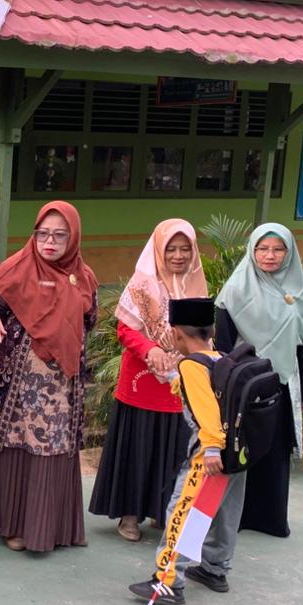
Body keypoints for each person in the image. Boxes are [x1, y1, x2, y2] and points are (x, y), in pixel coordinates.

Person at [0, 201, 99, 552]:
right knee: (15, 446)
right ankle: (11, 526)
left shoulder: (84, 278)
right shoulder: (16, 268)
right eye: (43, 233)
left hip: (59, 387)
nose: (49, 241)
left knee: (48, 449)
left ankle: (46, 528)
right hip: (14, 388)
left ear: (74, 237)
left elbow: (90, 321)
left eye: (59, 235)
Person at [90, 220, 206, 541]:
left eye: (185, 249)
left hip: (180, 381)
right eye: (171, 249)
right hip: (142, 381)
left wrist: (189, 355)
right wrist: (151, 349)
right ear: (159, 249)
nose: (179, 256)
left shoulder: (197, 284)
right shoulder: (142, 284)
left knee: (173, 447)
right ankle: (130, 515)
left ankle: (161, 510)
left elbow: (201, 334)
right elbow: (125, 329)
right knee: (138, 445)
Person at [128, 297, 248, 605]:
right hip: (235, 456)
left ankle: (168, 582)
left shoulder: (192, 365)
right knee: (222, 513)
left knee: (182, 511)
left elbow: (206, 410)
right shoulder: (219, 357)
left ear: (178, 333)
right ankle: (215, 568)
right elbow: (206, 391)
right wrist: (168, 376)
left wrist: (209, 448)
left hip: (208, 456)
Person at [214, 224, 303, 537]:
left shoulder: (297, 291)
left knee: (275, 451)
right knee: (242, 448)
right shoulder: (235, 289)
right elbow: (222, 344)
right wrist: (222, 388)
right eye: (262, 249)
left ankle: (271, 518)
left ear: (289, 253)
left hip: (282, 384)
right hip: (244, 387)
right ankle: (238, 518)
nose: (269, 256)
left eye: (277, 249)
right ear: (252, 251)